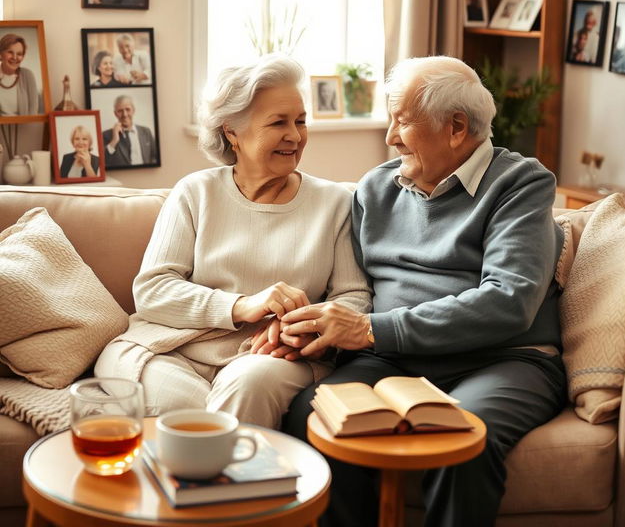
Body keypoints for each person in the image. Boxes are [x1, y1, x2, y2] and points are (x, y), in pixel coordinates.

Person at [281, 56, 566, 527]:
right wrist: (298, 324)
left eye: (402, 121)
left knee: (463, 443)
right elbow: (348, 289)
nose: (390, 137)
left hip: (503, 359)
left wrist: (371, 330)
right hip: (392, 361)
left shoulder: (520, 184)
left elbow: (508, 301)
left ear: (456, 127)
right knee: (309, 417)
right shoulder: (375, 188)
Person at [95, 54, 372, 428]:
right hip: (169, 349)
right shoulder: (196, 192)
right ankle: (229, 468)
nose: (294, 135)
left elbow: (353, 297)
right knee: (181, 400)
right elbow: (153, 290)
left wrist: (300, 329)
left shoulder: (334, 203)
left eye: (300, 121)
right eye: (278, 122)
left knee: (246, 386)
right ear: (232, 133)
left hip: (268, 356)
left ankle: (202, 474)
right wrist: (241, 305)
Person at [102, 95, 157, 167]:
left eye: (127, 109)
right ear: (115, 114)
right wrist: (114, 140)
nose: (124, 114)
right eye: (120, 111)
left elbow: (155, 157)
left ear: (133, 110)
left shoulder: (146, 131)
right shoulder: (106, 135)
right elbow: (102, 162)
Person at [0, 33, 39, 116]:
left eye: (19, 54)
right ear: (1, 54)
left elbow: (33, 111)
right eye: (10, 52)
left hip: (24, 127)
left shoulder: (28, 75)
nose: (15, 57)